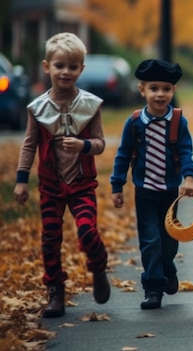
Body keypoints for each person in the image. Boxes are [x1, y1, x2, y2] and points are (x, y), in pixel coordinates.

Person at [14, 32, 110, 318]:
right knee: (50, 238)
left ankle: (98, 265)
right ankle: (55, 290)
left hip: (82, 184)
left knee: (87, 230)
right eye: (59, 66)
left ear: (81, 69)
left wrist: (83, 145)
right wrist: (21, 181)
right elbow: (29, 144)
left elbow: (101, 144)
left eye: (72, 66)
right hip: (51, 185)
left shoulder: (90, 105)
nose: (65, 72)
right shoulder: (38, 108)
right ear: (47, 67)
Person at [110, 59, 193, 310]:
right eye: (154, 88)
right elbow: (123, 155)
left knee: (169, 241)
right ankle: (153, 287)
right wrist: (117, 186)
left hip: (170, 192)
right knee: (150, 240)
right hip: (145, 192)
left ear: (173, 91)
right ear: (142, 90)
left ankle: (167, 268)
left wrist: (190, 178)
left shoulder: (178, 121)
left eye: (166, 89)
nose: (160, 94)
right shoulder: (135, 123)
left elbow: (185, 152)